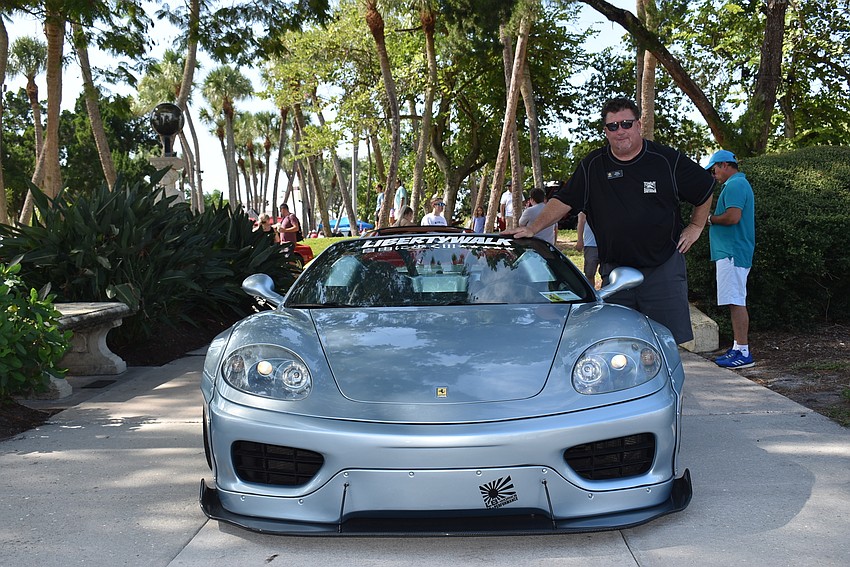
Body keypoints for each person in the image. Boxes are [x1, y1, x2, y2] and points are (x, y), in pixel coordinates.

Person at [505, 97, 713, 345]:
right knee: (616, 344)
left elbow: (705, 187)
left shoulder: (665, 159)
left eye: (626, 124)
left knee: (666, 342)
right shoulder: (593, 165)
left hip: (662, 269)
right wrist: (532, 228)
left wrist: (696, 226)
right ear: (606, 131)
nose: (620, 131)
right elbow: (563, 201)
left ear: (638, 125)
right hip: (615, 273)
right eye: (613, 126)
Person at [706, 149, 756, 368]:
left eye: (714, 169)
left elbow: (733, 217)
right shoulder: (737, 184)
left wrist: (710, 219)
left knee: (736, 301)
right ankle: (737, 347)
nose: (713, 174)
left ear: (725, 165)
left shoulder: (735, 185)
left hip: (732, 252)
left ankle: (743, 352)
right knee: (735, 300)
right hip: (731, 252)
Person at [576, 211, 600, 287]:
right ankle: (591, 291)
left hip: (606, 244)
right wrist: (580, 240)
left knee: (607, 272)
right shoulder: (585, 207)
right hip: (591, 244)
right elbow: (581, 221)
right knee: (589, 273)